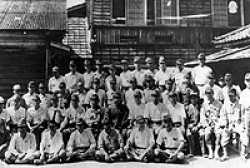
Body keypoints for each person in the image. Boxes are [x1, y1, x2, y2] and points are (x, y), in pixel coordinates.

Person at [219, 89, 242, 161]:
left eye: (232, 96)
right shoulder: (225, 104)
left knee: (243, 133)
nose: (230, 97)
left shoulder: (240, 104)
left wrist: (239, 123)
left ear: (235, 96)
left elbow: (242, 115)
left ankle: (242, 152)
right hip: (228, 124)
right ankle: (225, 154)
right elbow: (222, 115)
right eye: (229, 96)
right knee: (224, 133)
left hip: (238, 124)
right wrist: (225, 124)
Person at [199, 87, 222, 159]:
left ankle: (216, 152)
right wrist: (206, 124)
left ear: (213, 93)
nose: (209, 95)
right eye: (207, 93)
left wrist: (218, 123)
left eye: (210, 93)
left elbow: (222, 115)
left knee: (218, 134)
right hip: (208, 124)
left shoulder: (219, 104)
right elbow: (202, 116)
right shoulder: (204, 105)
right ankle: (210, 151)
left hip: (217, 123)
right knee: (207, 134)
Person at [239, 72, 250, 159]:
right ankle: (246, 152)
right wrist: (242, 118)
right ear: (245, 82)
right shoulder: (243, 93)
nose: (249, 82)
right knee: (247, 133)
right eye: (247, 80)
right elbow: (242, 107)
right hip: (247, 113)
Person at [186, 91, 201, 156]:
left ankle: (202, 151)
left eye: (195, 98)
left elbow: (202, 118)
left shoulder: (200, 107)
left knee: (201, 133)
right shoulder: (188, 107)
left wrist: (197, 125)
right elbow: (186, 119)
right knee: (189, 134)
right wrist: (189, 125)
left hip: (199, 124)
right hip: (190, 125)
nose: (193, 100)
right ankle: (191, 151)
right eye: (192, 98)